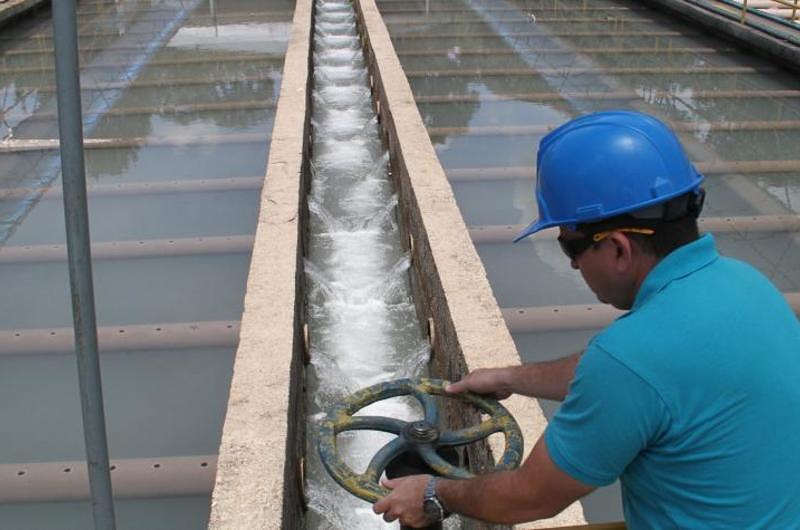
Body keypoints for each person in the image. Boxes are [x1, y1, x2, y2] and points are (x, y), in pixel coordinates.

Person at [373, 110, 800, 528]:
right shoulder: (749, 286)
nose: (574, 266)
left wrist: (432, 492)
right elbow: (650, 379)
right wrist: (511, 377)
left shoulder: (631, 360)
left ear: (617, 248)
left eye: (570, 247)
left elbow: (527, 498)